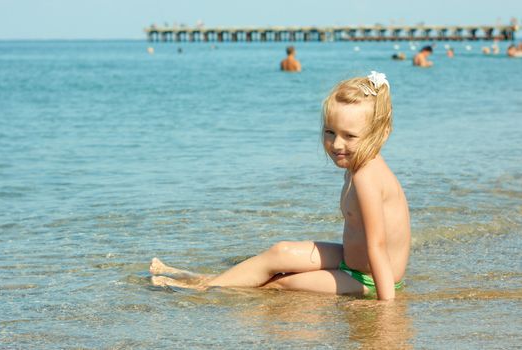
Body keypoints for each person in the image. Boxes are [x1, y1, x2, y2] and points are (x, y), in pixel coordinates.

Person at [150, 71, 411, 301]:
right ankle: (208, 281)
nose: (336, 144)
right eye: (330, 132)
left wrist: (387, 308)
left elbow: (376, 245)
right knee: (280, 252)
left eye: (349, 136)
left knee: (283, 283)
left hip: (370, 279)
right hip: (350, 260)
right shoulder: (359, 164)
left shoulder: (367, 176)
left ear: (380, 133)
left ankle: (205, 288)